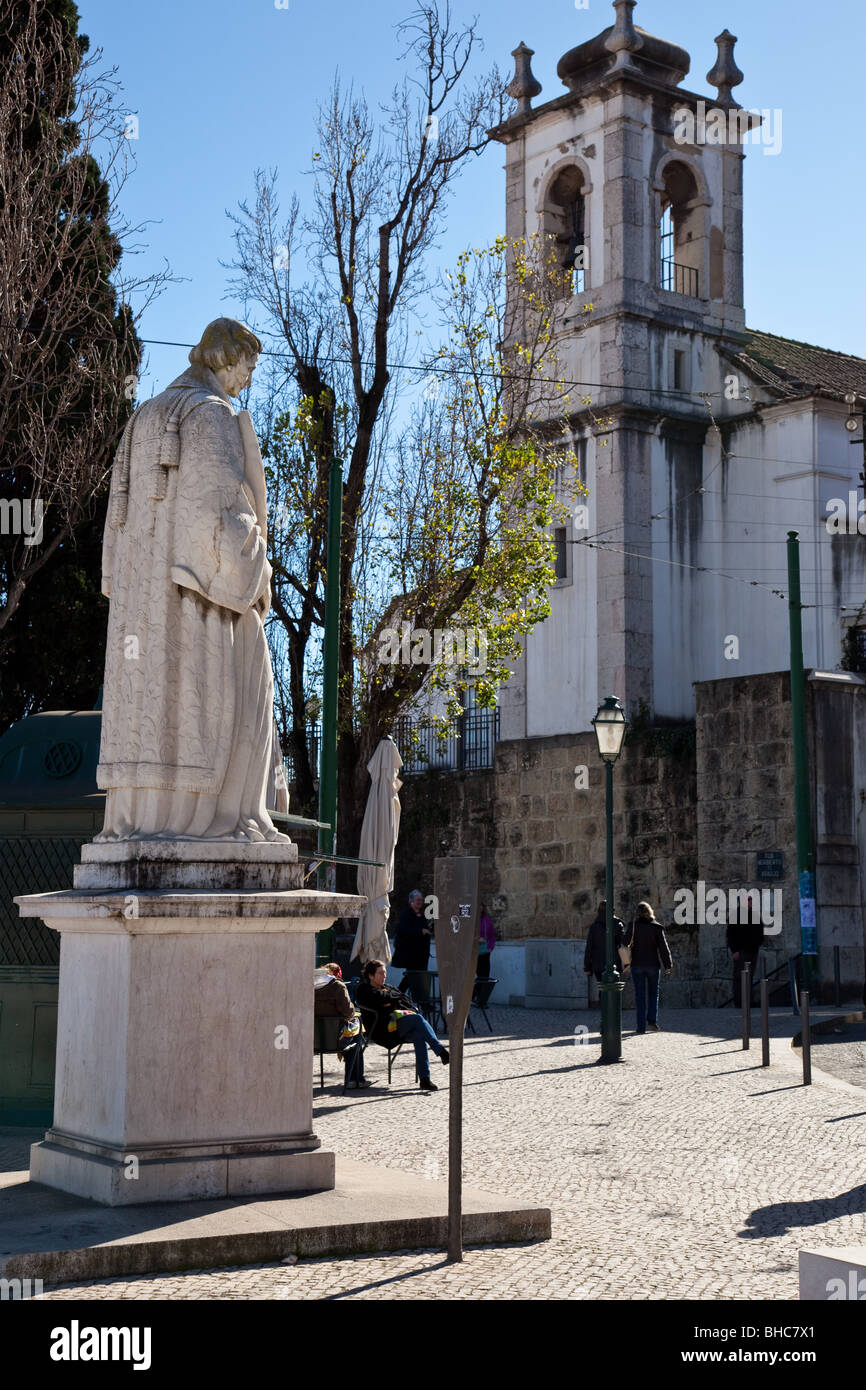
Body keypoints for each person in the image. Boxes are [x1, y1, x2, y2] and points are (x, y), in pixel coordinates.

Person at [96, 317, 289, 842]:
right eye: (248, 365)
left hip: (143, 601)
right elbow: (218, 522)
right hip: (196, 609)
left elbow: (116, 527)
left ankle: (144, 816)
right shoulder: (211, 416)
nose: (249, 377)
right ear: (226, 358)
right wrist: (259, 567)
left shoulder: (144, 418)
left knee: (152, 705)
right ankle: (208, 820)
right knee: (217, 694)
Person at [356, 959, 449, 1092]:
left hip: (397, 1027)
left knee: (418, 1035)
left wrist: (391, 1000)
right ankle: (441, 1051)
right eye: (380, 973)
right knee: (417, 1019)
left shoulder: (387, 987)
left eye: (385, 973)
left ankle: (425, 1079)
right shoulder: (364, 989)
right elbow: (382, 998)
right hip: (382, 1031)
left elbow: (404, 999)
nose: (384, 976)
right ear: (371, 975)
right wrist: (391, 999)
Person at [314, 963, 369, 1088]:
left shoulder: (310, 988)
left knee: (352, 1034)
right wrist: (355, 1011)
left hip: (316, 1041)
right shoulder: (337, 986)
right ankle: (355, 1079)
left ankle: (355, 1079)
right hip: (337, 1040)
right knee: (356, 1035)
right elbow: (348, 1012)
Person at [626, 902, 673, 1033]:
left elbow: (624, 943)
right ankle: (652, 1021)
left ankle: (640, 1026)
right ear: (650, 912)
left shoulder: (633, 926)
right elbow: (663, 948)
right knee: (653, 994)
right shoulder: (657, 928)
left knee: (640, 995)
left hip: (637, 965)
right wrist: (668, 965)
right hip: (653, 965)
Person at [392, 889, 433, 1004]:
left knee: (418, 978)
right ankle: (397, 998)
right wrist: (421, 931)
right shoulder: (406, 914)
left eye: (421, 900)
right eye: (418, 900)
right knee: (412, 977)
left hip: (422, 954)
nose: (420, 902)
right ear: (412, 901)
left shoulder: (421, 914)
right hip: (411, 954)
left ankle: (401, 998)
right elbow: (404, 931)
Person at [727, 899, 764, 1009]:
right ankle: (739, 1001)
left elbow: (759, 930)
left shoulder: (754, 915)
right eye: (748, 902)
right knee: (740, 977)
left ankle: (748, 1000)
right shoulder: (736, 915)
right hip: (741, 951)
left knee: (749, 976)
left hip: (752, 950)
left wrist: (758, 943)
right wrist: (734, 950)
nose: (750, 903)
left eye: (751, 901)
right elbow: (731, 934)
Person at [583, 900, 625, 986]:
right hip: (614, 963)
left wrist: (587, 967)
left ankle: (602, 999)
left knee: (602, 990)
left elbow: (589, 947)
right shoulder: (617, 924)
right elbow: (623, 943)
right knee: (614, 990)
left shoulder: (594, 927)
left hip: (598, 964)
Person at [477, 904, 496, 979]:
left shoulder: (487, 920)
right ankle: (477, 990)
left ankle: (482, 990)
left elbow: (492, 935)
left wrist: (490, 947)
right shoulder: (471, 920)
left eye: (481, 907)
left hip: (485, 951)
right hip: (474, 952)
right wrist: (477, 939)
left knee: (485, 975)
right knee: (478, 976)